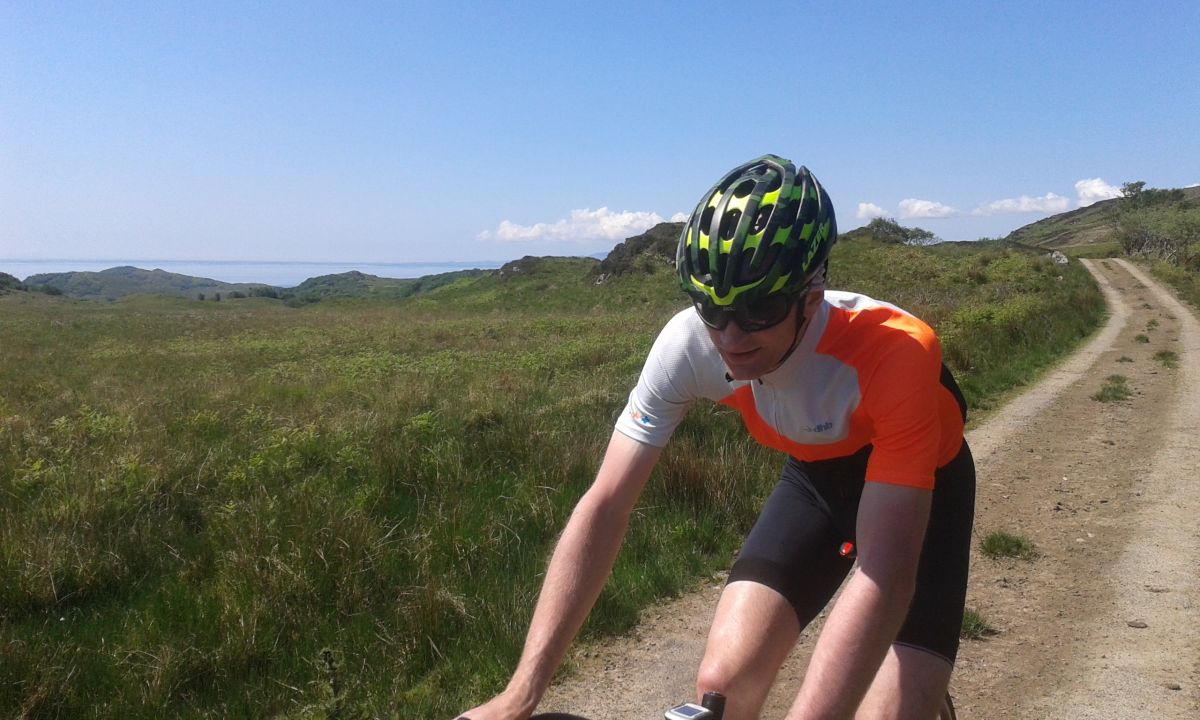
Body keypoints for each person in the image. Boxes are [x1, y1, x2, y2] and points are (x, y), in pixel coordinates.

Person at [458, 155, 976, 720]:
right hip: (818, 478)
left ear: (811, 295)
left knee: (894, 709)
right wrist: (520, 694)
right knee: (722, 687)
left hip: (928, 487)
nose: (730, 336)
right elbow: (605, 504)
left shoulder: (896, 353)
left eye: (759, 309)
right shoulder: (688, 346)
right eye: (711, 307)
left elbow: (886, 569)